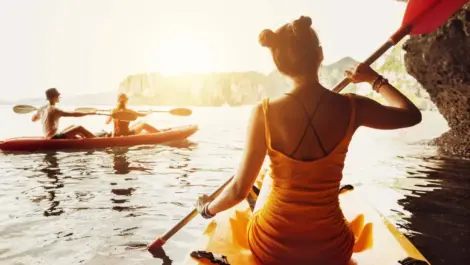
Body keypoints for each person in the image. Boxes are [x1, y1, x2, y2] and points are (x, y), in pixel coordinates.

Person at [195, 16, 422, 265]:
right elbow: (411, 115)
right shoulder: (354, 107)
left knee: (269, 177)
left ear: (278, 65)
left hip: (272, 247)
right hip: (332, 249)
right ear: (320, 55)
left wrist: (207, 209)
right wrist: (373, 79)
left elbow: (238, 191)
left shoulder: (264, 113)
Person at [32, 88, 96, 139]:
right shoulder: (54, 109)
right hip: (53, 138)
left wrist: (40, 114)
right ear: (54, 97)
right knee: (80, 128)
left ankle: (82, 138)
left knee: (73, 126)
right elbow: (74, 114)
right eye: (58, 96)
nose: (59, 97)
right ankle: (96, 140)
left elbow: (33, 119)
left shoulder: (42, 109)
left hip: (49, 135)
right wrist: (89, 113)